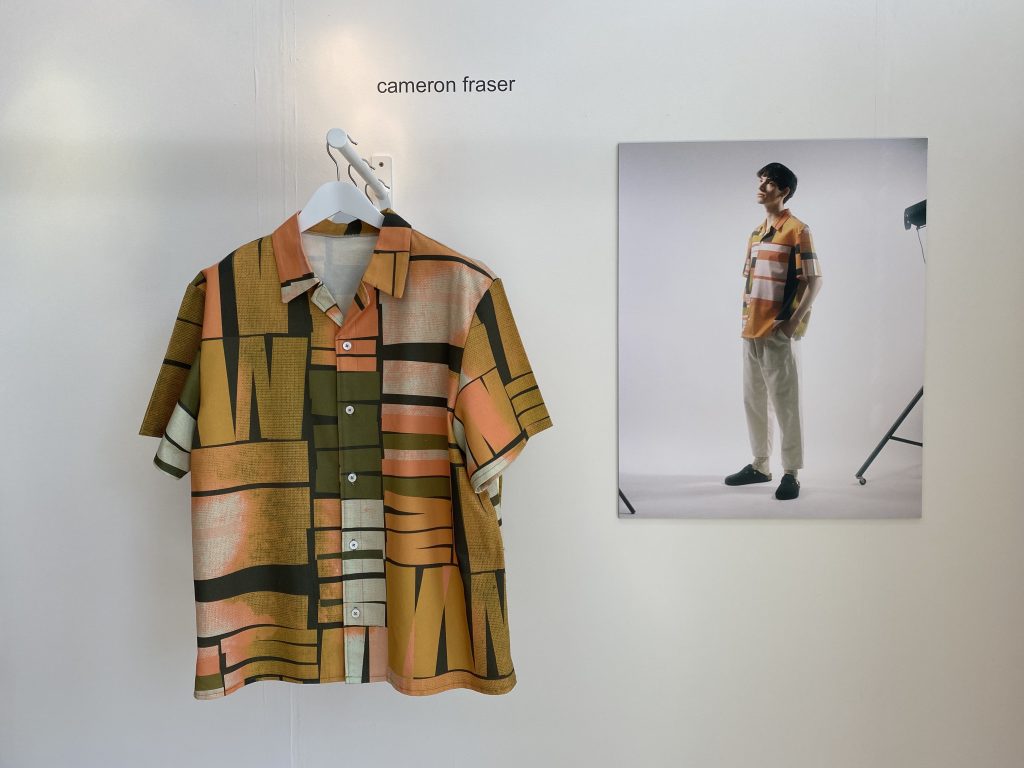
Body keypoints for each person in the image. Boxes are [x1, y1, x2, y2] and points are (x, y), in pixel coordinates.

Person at [724, 162, 822, 500]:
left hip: (779, 331)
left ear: (784, 191)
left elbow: (814, 280)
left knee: (786, 404)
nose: (762, 187)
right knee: (754, 400)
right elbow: (752, 283)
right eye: (761, 181)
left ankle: (791, 473)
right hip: (751, 329)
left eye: (768, 183)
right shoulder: (755, 233)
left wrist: (794, 322)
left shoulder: (797, 230)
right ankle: (760, 465)